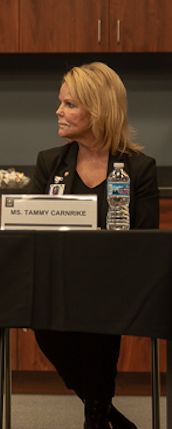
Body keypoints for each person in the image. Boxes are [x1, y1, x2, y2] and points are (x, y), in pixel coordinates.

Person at [29, 62, 159, 429]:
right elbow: (29, 223)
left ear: (98, 111)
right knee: (46, 325)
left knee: (96, 320)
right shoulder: (50, 163)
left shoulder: (139, 169)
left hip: (115, 285)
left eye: (69, 104)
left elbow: (146, 237)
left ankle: (97, 418)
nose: (59, 111)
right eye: (61, 102)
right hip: (60, 281)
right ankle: (105, 412)